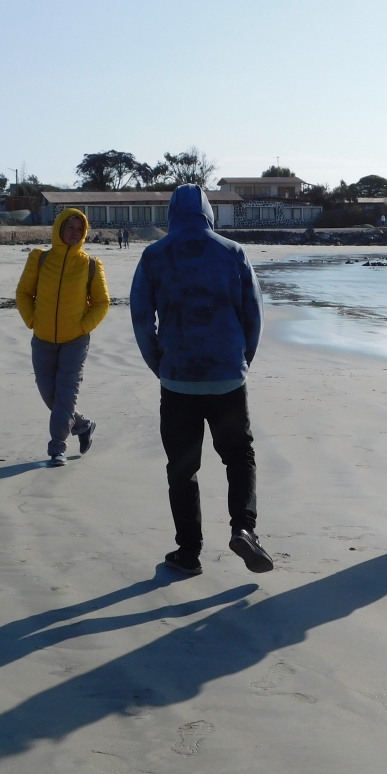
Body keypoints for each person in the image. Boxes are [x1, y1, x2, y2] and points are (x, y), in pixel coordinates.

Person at [130, 184, 272, 576]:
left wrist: (159, 363)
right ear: (208, 212)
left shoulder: (154, 255)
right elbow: (253, 315)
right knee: (238, 455)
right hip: (226, 376)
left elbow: (142, 319)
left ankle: (189, 552)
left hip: (178, 380)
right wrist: (242, 359)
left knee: (182, 467)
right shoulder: (233, 252)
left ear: (172, 214)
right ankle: (244, 528)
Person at [15, 209, 110, 467]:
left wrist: (83, 327)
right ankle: (82, 425)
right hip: (43, 338)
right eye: (71, 227)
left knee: (66, 395)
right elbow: (23, 293)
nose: (75, 232)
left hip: (75, 341)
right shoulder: (39, 259)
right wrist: (32, 320)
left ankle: (57, 447)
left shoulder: (90, 265)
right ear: (59, 228)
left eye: (80, 229)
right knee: (49, 393)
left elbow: (102, 303)